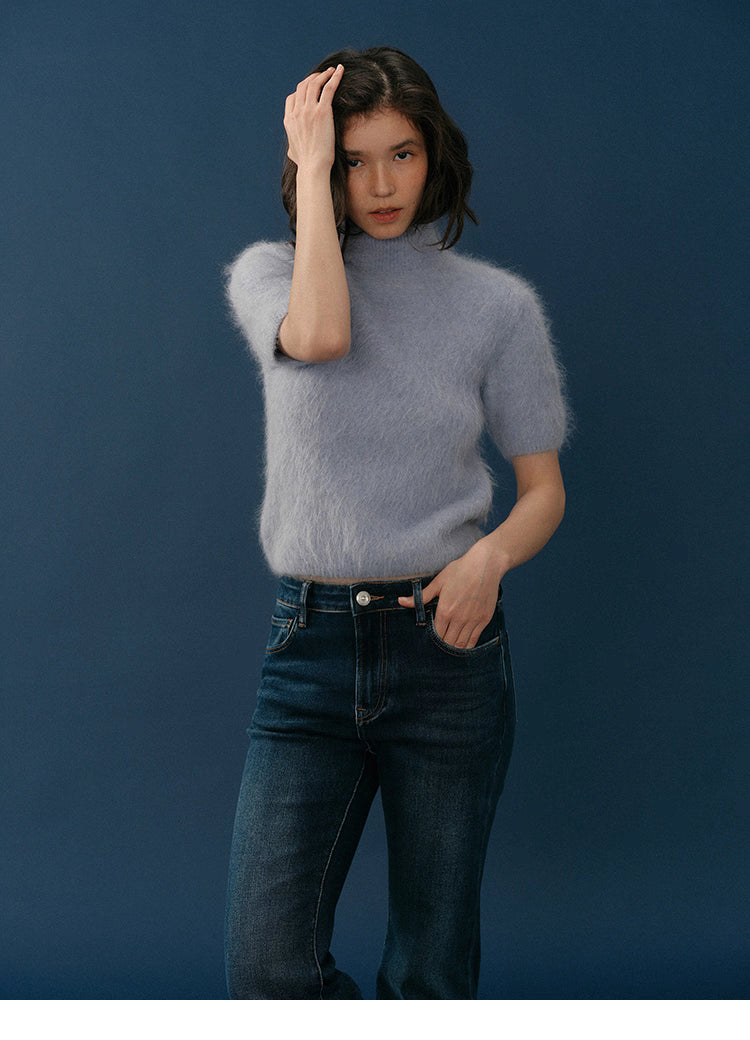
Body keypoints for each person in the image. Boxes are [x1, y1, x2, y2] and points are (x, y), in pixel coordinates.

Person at [222, 46, 569, 1000]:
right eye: (354, 159)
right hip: (311, 652)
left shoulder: (498, 308)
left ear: (435, 156)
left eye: (403, 154)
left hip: (447, 647)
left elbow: (544, 490)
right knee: (266, 969)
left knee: (431, 970)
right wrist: (310, 158)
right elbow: (324, 338)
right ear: (319, 168)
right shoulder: (270, 276)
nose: (381, 184)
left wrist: (489, 558)